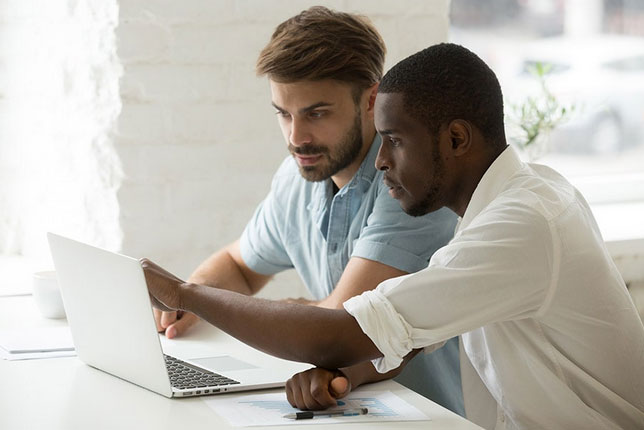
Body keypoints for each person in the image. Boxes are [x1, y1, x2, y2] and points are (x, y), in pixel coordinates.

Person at [143, 43, 644, 429]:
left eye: (396, 142)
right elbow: (408, 340)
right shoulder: (500, 207)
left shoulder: (524, 224)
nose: (381, 161)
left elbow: (343, 328)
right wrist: (345, 375)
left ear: (456, 139)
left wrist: (186, 294)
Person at [152, 6, 463, 414]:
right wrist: (185, 305)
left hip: (426, 414)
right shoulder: (297, 177)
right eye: (284, 114)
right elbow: (239, 266)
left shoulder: (410, 187)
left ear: (372, 100)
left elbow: (343, 323)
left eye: (316, 113)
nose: (297, 137)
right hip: (345, 406)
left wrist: (200, 298)